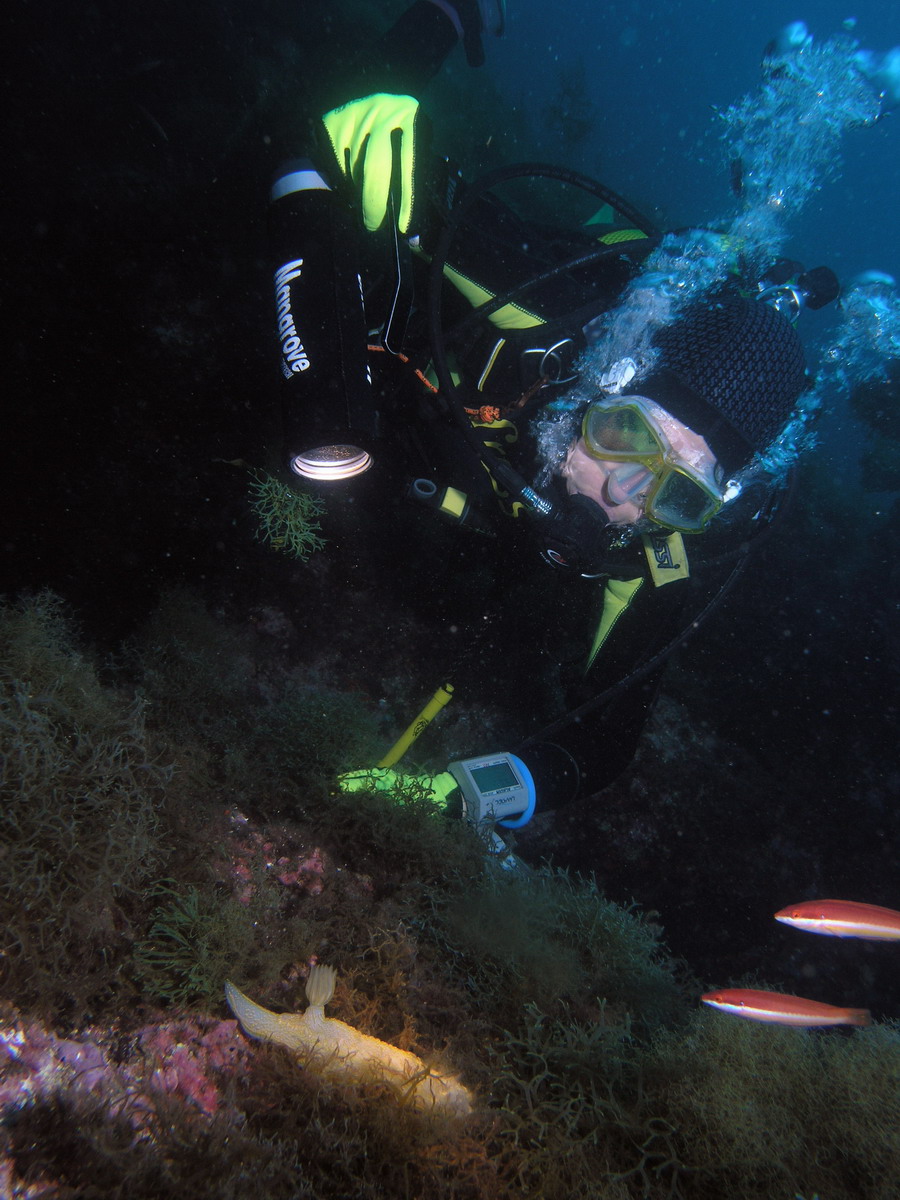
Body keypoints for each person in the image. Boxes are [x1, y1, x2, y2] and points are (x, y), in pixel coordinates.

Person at [265, 2, 840, 839]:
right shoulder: (522, 303)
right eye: (624, 437)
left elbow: (604, 744)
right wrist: (320, 390)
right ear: (601, 383)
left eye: (678, 493)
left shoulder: (660, 561)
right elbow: (319, 140)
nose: (622, 497)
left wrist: (465, 795)